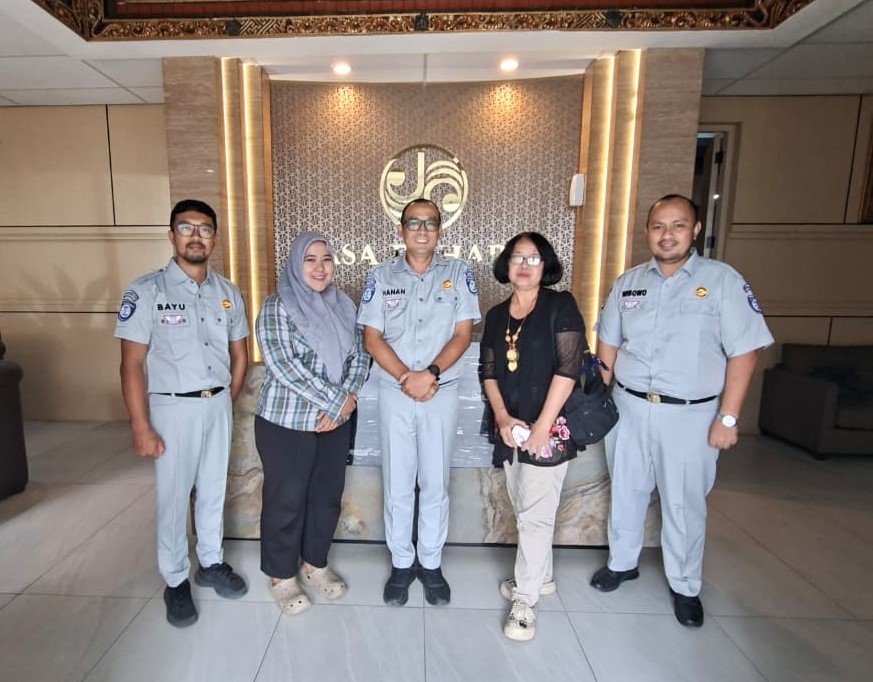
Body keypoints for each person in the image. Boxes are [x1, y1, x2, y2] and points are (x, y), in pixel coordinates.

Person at [591, 194, 774, 627]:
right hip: (629, 407)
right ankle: (622, 563)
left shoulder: (722, 281)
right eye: (658, 226)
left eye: (677, 225)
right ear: (647, 232)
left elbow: (745, 351)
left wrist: (728, 418)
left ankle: (685, 585)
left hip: (691, 415)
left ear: (695, 230)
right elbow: (608, 346)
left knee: (684, 503)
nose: (667, 234)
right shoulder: (628, 282)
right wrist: (597, 401)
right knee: (627, 490)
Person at [115, 199, 250, 628]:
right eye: (186, 228)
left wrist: (226, 398)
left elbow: (239, 355)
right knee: (174, 497)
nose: (196, 236)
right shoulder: (146, 291)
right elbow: (131, 363)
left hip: (218, 404)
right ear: (171, 235)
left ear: (214, 237)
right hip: (172, 407)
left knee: (213, 489)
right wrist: (140, 426)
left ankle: (210, 562)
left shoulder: (227, 292)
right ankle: (175, 580)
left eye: (204, 229)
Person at [358, 198, 480, 606]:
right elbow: (372, 338)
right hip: (395, 393)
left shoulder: (458, 273)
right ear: (401, 230)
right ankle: (401, 563)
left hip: (440, 392)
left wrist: (431, 375)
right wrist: (406, 378)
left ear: (440, 231)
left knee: (434, 482)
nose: (422, 230)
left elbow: (463, 334)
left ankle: (430, 563)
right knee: (397, 481)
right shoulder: (381, 275)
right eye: (414, 223)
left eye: (430, 223)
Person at [254, 232, 369, 614]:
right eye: (310, 259)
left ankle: (314, 563)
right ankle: (281, 576)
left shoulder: (345, 305)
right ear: (295, 264)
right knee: (285, 500)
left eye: (326, 259)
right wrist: (337, 402)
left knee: (326, 496)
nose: (320, 267)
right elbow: (284, 365)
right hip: (286, 422)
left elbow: (361, 356)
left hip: (336, 422)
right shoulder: (276, 306)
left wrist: (345, 403)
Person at [479, 232, 585, 641]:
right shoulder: (496, 315)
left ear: (546, 265)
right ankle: (543, 576)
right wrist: (503, 417)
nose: (524, 265)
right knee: (523, 505)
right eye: (517, 257)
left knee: (534, 516)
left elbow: (568, 369)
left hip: (549, 429)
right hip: (510, 428)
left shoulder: (560, 306)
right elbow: (488, 372)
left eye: (534, 258)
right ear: (506, 265)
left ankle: (524, 601)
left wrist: (541, 428)